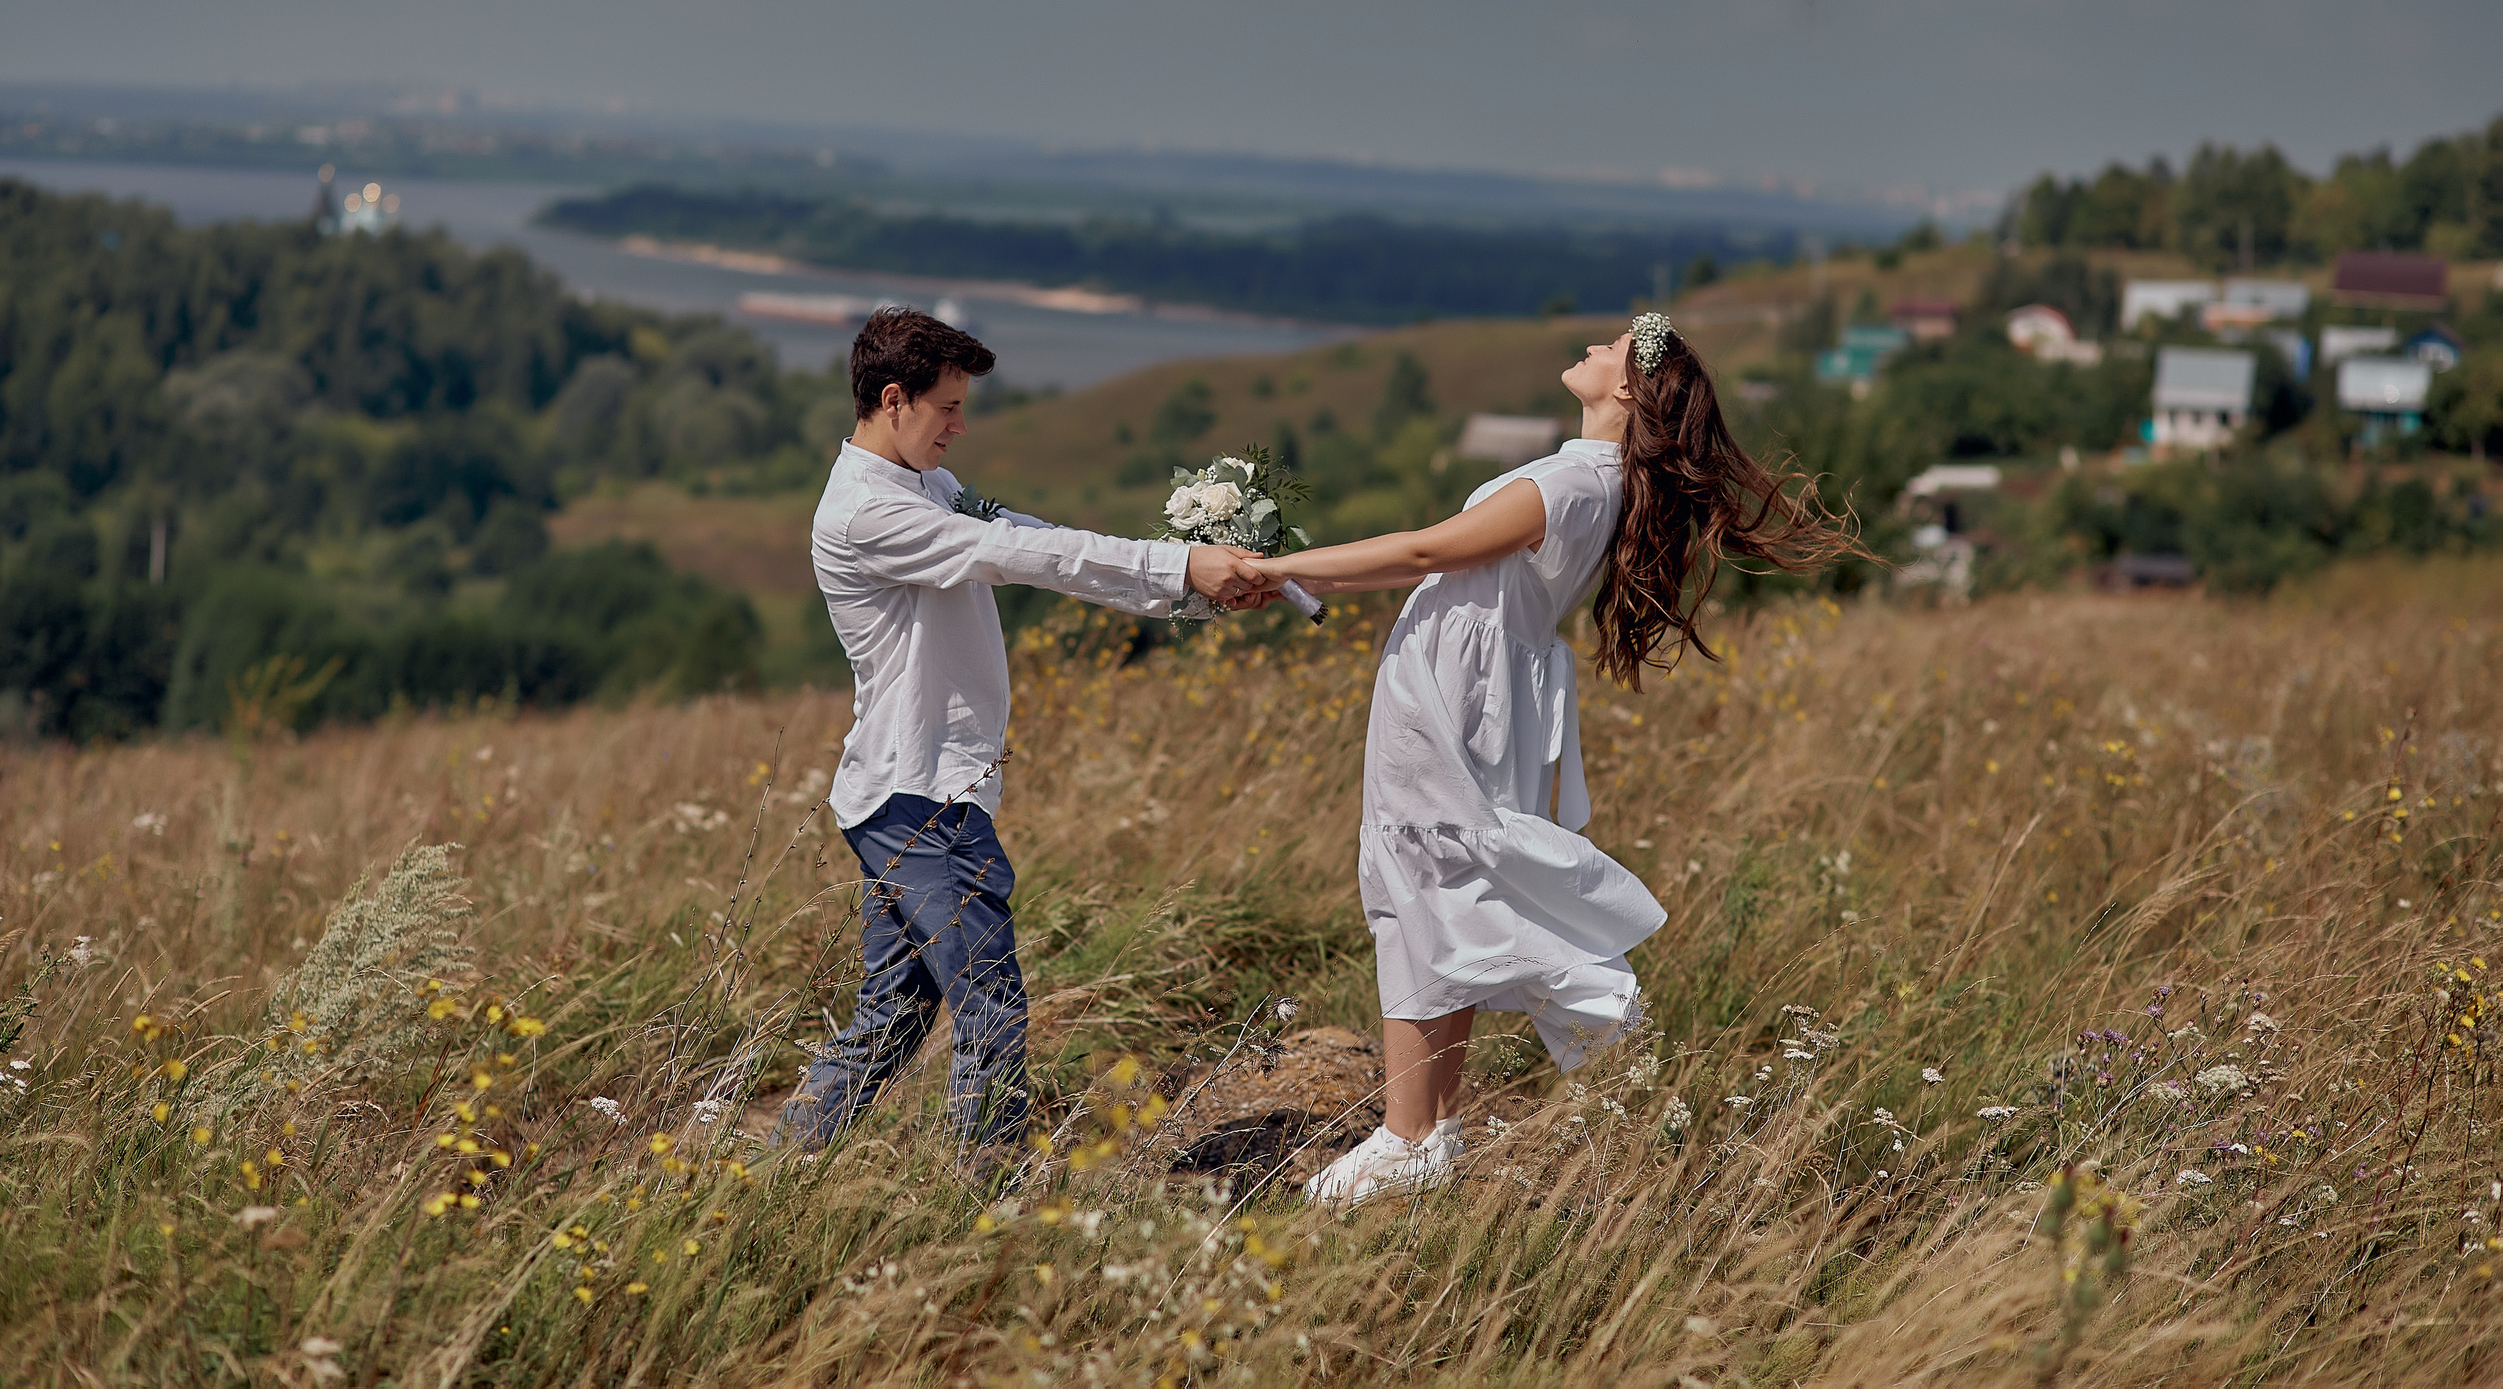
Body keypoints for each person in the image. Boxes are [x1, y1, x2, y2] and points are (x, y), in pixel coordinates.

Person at [1254, 313, 1860, 1203]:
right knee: (1446, 876)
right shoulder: (1598, 482)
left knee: (1424, 878)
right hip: (1488, 685)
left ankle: (1408, 1130)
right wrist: (1292, 576)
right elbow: (1437, 566)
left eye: (1612, 345)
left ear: (1627, 389)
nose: (1593, 345)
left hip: (1455, 690)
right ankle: (1431, 1129)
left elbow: (1428, 549)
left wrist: (1280, 568)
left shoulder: (1574, 481)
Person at [777, 307, 1272, 1169]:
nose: (961, 427)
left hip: (918, 789)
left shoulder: (922, 483)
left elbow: (1037, 538)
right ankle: (985, 1212)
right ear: (893, 400)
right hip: (919, 796)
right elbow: (1019, 556)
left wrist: (1187, 590)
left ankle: (770, 1178)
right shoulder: (867, 512)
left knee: (889, 1023)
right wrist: (1180, 566)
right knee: (991, 1005)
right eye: (947, 408)